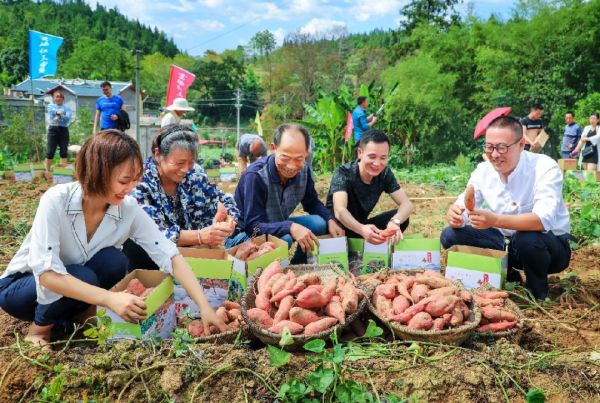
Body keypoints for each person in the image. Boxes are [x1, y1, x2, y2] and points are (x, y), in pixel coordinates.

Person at [0, 130, 225, 347]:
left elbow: (170, 254)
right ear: (97, 171)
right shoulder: (56, 200)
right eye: (124, 180)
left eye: (135, 180)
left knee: (114, 260)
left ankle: (74, 317)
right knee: (83, 274)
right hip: (22, 289)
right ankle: (39, 330)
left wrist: (204, 306)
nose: (130, 189)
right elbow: (47, 275)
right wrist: (110, 299)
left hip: (74, 282)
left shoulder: (127, 208)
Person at [441, 116, 571, 301]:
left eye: (502, 147)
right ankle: (508, 274)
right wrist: (455, 214)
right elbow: (465, 202)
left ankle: (537, 293)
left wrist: (494, 220)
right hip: (506, 243)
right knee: (450, 235)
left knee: (528, 237)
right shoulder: (483, 170)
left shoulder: (544, 167)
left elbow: (543, 220)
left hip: (550, 248)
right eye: (489, 147)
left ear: (521, 144)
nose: (494, 154)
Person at [124, 124, 247, 270]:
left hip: (195, 254)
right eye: (180, 163)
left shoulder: (195, 173)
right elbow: (154, 234)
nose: (186, 169)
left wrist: (228, 220)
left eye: (191, 161)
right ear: (158, 155)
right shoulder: (140, 182)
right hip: (154, 259)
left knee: (244, 238)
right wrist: (200, 236)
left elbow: (223, 199)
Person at [234, 123, 344, 263]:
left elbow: (312, 203)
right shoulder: (255, 176)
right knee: (284, 239)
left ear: (306, 154)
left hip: (275, 224)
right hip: (245, 234)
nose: (291, 166)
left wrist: (330, 219)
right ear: (273, 149)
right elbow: (253, 226)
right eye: (285, 157)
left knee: (320, 223)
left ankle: (298, 264)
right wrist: (290, 226)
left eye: (299, 159)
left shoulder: (304, 171)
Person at [326, 129, 413, 245]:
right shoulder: (344, 173)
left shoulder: (384, 173)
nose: (377, 163)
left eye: (383, 158)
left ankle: (377, 249)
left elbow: (407, 204)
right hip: (338, 229)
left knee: (401, 217)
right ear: (360, 153)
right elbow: (340, 211)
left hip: (363, 228)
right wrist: (361, 229)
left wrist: (395, 222)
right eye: (372, 157)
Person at [45, 91, 72, 173]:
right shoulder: (50, 106)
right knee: (50, 151)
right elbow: (52, 112)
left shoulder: (67, 108)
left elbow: (68, 118)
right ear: (53, 98)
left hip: (63, 129)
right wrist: (59, 113)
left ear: (63, 99)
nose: (58, 98)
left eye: (60, 97)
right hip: (53, 129)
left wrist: (60, 115)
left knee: (63, 151)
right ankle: (47, 171)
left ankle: (62, 172)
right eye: (56, 96)